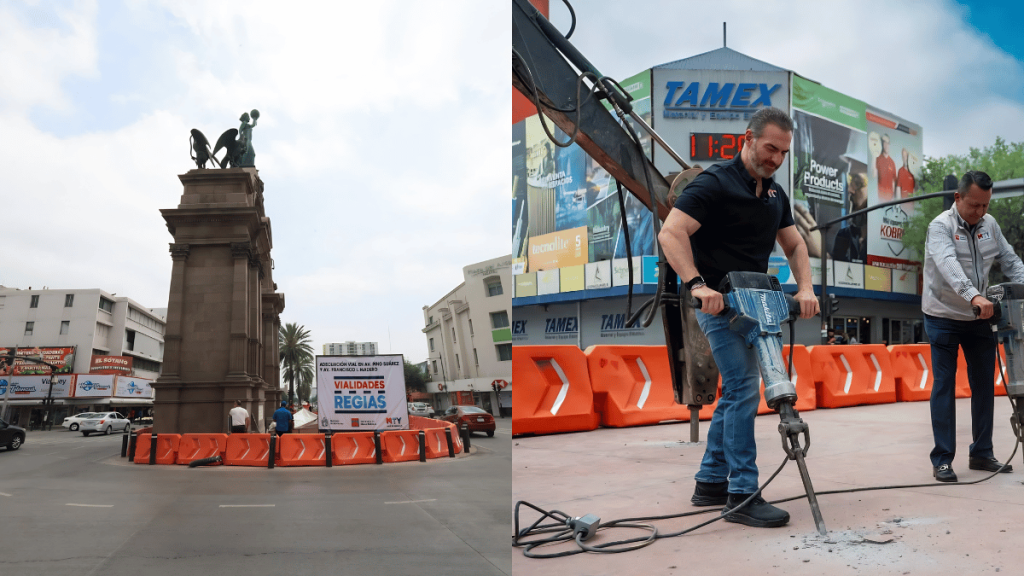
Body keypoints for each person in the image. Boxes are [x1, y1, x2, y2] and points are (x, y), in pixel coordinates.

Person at [658, 107, 820, 528]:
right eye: (770, 149)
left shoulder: (773, 195)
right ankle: (742, 492)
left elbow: (796, 245)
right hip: (721, 304)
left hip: (759, 300)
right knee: (746, 386)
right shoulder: (714, 183)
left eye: (783, 153)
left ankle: (710, 481)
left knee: (735, 392)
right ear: (747, 138)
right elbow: (670, 233)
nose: (776, 159)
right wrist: (697, 285)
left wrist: (805, 288)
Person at [922, 170, 1024, 482]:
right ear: (958, 198)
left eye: (985, 206)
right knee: (944, 385)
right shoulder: (940, 227)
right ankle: (942, 459)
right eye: (973, 206)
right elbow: (949, 266)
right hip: (942, 316)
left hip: (980, 317)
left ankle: (981, 453)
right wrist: (975, 296)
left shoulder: (990, 225)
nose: (979, 212)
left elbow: (1010, 260)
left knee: (984, 386)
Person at [874, 134, 897, 201]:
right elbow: (874, 177)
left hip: (889, 199)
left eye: (888, 143)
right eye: (884, 142)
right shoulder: (877, 159)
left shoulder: (892, 162)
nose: (886, 145)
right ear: (881, 144)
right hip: (879, 198)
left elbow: (894, 181)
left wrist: (893, 198)